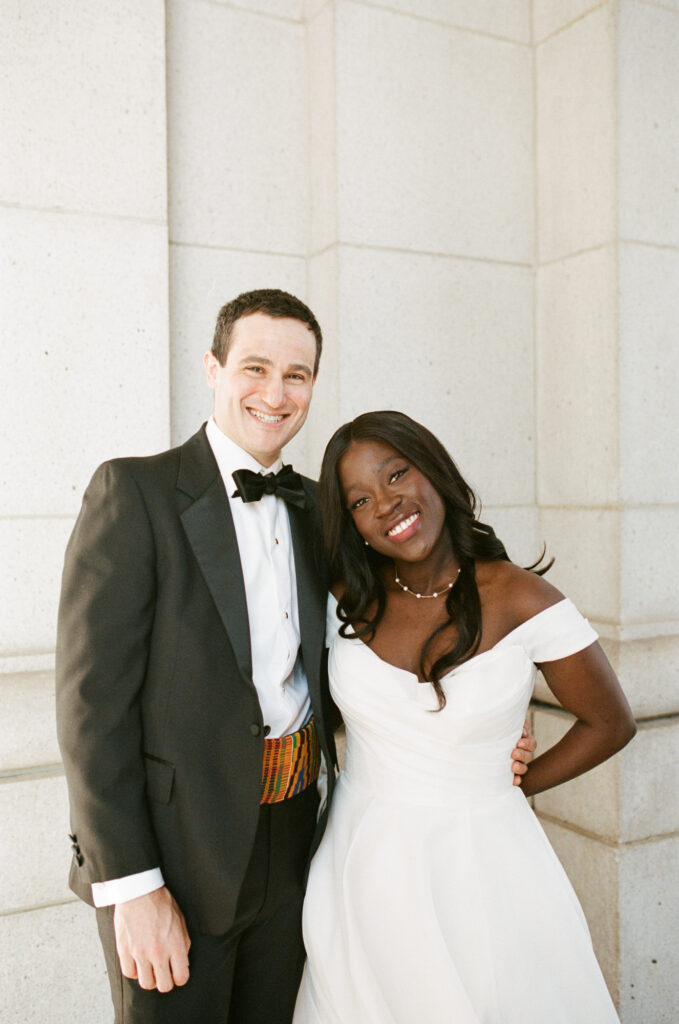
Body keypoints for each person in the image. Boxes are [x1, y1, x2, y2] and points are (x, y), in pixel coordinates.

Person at [55, 291, 537, 1024]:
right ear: (212, 369)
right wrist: (131, 885)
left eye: (297, 375)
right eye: (254, 368)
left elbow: (397, 634)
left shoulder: (324, 510)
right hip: (177, 856)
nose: (274, 394)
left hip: (299, 843)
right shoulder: (135, 492)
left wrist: (487, 719)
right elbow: (90, 707)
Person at [293, 410, 636, 1024]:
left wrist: (517, 781)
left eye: (397, 473)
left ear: (435, 470)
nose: (387, 503)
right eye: (360, 500)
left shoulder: (521, 596)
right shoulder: (342, 597)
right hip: (360, 870)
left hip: (486, 871)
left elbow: (610, 722)